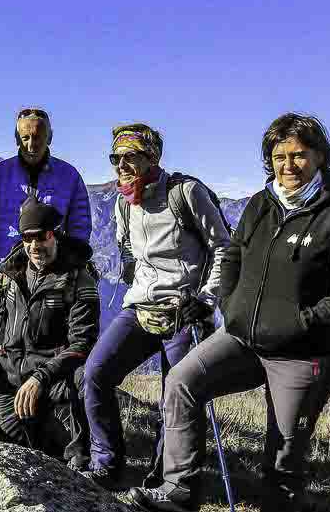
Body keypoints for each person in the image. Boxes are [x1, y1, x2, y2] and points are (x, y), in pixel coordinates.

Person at [130, 114, 330, 512]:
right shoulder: (261, 204)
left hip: (302, 354)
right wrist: (230, 304)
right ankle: (179, 493)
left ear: (320, 156)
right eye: (280, 157)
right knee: (182, 383)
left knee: (283, 455)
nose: (289, 165)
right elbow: (236, 255)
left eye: (299, 155)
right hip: (243, 338)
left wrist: (303, 322)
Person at [80, 123, 230, 489]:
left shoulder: (185, 194)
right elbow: (129, 252)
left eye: (131, 156)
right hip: (141, 306)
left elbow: (224, 248)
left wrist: (206, 300)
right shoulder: (123, 202)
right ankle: (107, 464)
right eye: (116, 158)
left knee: (176, 396)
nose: (121, 165)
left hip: (186, 310)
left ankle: (163, 477)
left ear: (152, 158)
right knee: (94, 374)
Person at [0, 198, 99, 470]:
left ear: (55, 234)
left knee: (71, 464)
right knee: (17, 455)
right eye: (28, 237)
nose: (35, 245)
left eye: (43, 236)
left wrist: (42, 377)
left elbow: (83, 343)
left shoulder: (78, 277)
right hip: (12, 382)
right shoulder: (6, 275)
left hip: (55, 384)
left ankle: (82, 451)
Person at [0, 107, 91, 275]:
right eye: (25, 138)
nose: (31, 145)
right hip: (6, 272)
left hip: (54, 273)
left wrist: (69, 262)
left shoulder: (69, 176)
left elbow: (80, 227)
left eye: (38, 137)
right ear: (17, 138)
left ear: (50, 137)